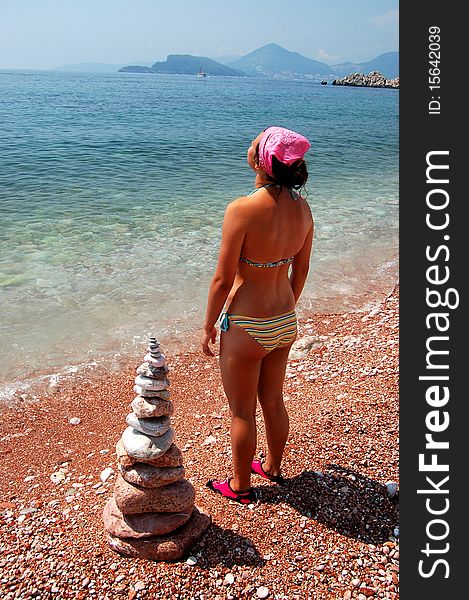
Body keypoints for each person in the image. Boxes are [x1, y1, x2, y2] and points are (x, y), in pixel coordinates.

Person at [201, 126, 314, 504]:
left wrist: (207, 327)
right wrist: (288, 306)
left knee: (241, 411)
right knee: (274, 400)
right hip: (284, 318)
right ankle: (273, 467)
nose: (250, 144)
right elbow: (301, 269)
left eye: (255, 142)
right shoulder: (304, 209)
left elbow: (221, 279)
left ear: (262, 162)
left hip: (247, 325)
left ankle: (239, 486)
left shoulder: (242, 209)